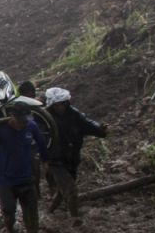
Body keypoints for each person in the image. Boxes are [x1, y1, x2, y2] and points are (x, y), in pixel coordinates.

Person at [0, 105, 47, 233]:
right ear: (12, 116)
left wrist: (45, 160)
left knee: (31, 210)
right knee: (9, 210)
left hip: (26, 175)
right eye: (20, 119)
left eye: (25, 119)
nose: (23, 123)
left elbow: (42, 144)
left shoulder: (31, 126)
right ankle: (9, 231)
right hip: (5, 178)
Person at [43, 87, 108, 223]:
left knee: (63, 190)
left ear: (66, 103)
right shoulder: (44, 118)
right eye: (57, 105)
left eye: (62, 104)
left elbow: (88, 124)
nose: (60, 107)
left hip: (72, 157)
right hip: (56, 161)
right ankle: (74, 218)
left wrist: (101, 129)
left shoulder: (74, 114)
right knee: (71, 189)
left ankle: (50, 211)